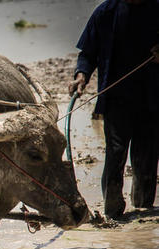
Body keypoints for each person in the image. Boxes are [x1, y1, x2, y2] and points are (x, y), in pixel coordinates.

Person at [68, 0, 159, 219]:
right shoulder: (105, 12)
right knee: (115, 155)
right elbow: (87, 54)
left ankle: (143, 210)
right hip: (117, 100)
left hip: (152, 99)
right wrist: (81, 76)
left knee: (146, 158)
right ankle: (113, 212)